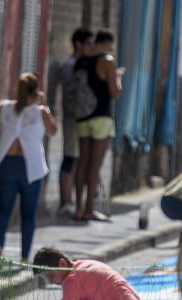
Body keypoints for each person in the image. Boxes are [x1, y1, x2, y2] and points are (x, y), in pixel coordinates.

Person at [0, 73, 58, 272]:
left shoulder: (3, 108)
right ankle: (25, 257)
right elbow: (53, 131)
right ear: (36, 92)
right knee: (28, 214)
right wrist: (44, 105)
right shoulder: (40, 111)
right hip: (31, 168)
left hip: (6, 164)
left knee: (2, 212)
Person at [73, 29, 123, 222]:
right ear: (108, 43)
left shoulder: (82, 61)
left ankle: (78, 208)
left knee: (82, 162)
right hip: (101, 117)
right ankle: (89, 209)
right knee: (95, 165)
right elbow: (115, 92)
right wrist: (117, 76)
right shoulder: (108, 61)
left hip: (82, 117)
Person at [56, 28, 92, 216]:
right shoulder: (71, 65)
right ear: (78, 44)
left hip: (81, 117)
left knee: (77, 158)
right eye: (88, 43)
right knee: (70, 157)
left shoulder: (80, 63)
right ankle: (65, 201)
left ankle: (71, 199)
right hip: (72, 116)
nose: (91, 47)